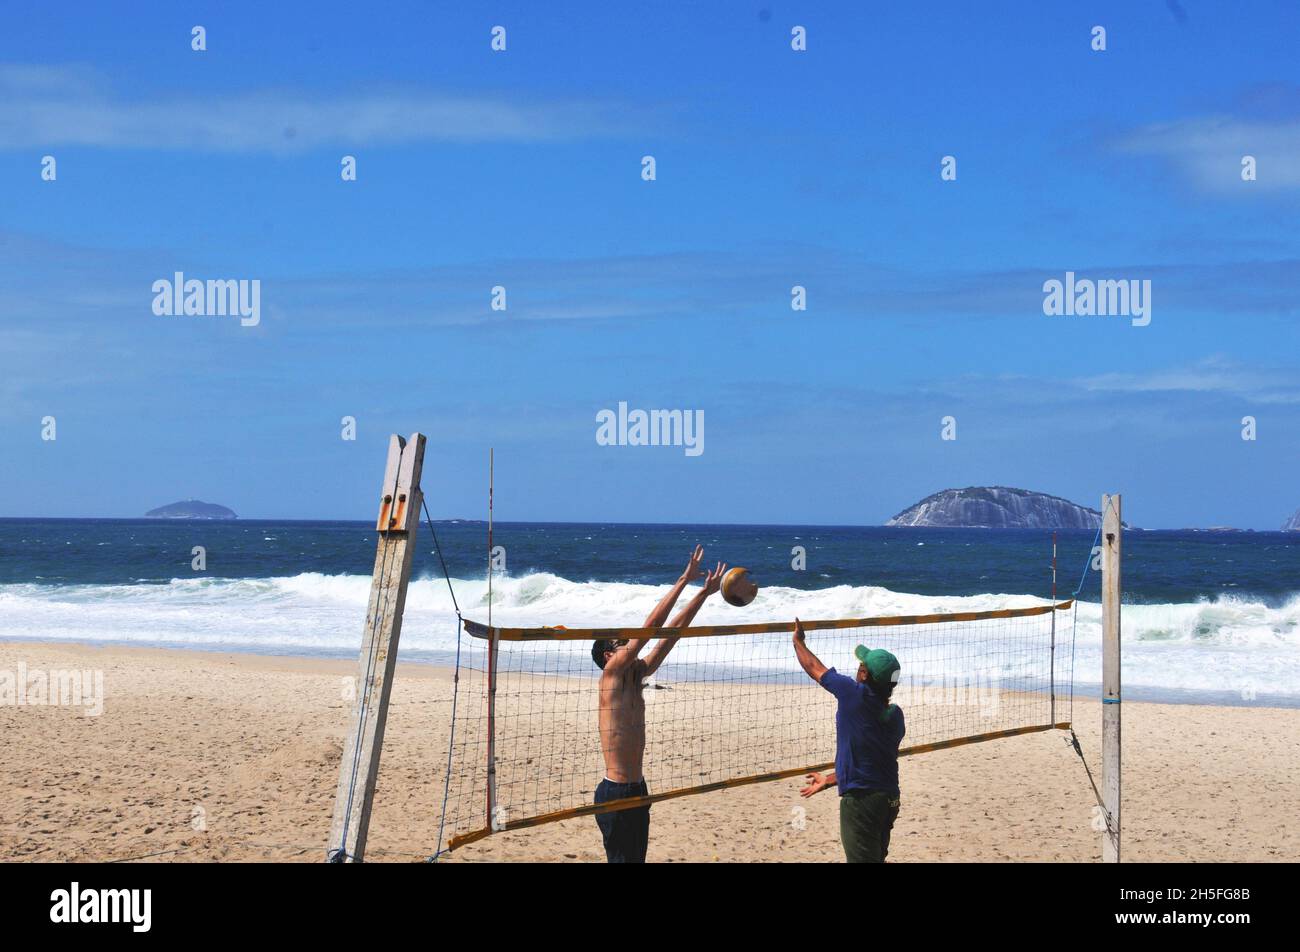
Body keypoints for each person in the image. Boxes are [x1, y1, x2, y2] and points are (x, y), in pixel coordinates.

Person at [589, 545, 726, 862]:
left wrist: (703, 594)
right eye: (621, 643)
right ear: (609, 656)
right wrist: (683, 579)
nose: (628, 644)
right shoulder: (611, 676)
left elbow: (671, 633)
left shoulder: (636, 676)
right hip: (616, 792)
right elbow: (650, 627)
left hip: (637, 789)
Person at [792, 617, 905, 863]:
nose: (857, 668)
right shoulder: (895, 716)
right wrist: (832, 779)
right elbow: (870, 763)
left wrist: (797, 641)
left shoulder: (852, 693)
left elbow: (813, 667)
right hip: (889, 799)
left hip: (862, 802)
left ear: (863, 675)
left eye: (861, 665)